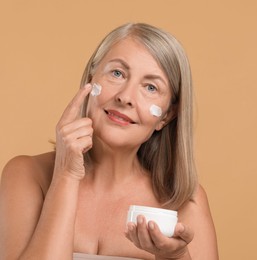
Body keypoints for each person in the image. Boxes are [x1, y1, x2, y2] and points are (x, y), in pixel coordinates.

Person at [0, 22, 218, 260]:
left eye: (150, 87)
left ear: (166, 116)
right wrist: (66, 175)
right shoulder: (27, 175)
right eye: (117, 73)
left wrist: (176, 256)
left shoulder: (184, 200)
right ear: (91, 78)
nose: (125, 97)